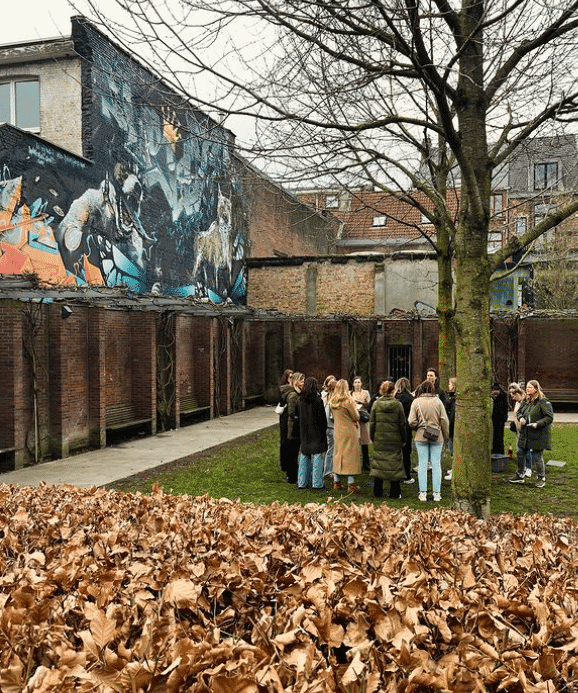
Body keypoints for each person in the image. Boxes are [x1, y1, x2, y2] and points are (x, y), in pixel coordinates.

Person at [408, 380, 450, 502]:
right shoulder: (438, 401)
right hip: (437, 435)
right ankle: (437, 493)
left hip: (421, 436)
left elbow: (411, 421)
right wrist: (446, 436)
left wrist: (418, 427)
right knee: (436, 464)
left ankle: (423, 493)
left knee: (422, 464)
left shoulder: (416, 402)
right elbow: (444, 420)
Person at [509, 380, 553, 488]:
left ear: (536, 389)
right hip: (525, 433)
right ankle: (520, 475)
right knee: (520, 452)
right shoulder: (526, 400)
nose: (527, 389)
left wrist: (537, 424)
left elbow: (549, 417)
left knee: (537, 456)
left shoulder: (543, 401)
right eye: (527, 387)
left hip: (538, 434)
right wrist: (521, 418)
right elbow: (519, 412)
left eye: (530, 387)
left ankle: (541, 477)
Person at [369, 380, 407, 499]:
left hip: (380, 438)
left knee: (379, 463)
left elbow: (372, 423)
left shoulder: (376, 404)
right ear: (393, 391)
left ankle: (377, 491)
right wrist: (404, 439)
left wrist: (372, 437)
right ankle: (394, 492)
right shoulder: (398, 405)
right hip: (394, 439)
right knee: (395, 464)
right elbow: (402, 424)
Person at [330, 379, 361, 493]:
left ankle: (336, 481)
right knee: (350, 456)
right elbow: (355, 417)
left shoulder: (333, 401)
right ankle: (351, 483)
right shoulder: (348, 401)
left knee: (338, 454)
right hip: (349, 430)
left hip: (338, 430)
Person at [297, 377, 328, 489]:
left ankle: (302, 482)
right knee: (317, 456)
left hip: (304, 430)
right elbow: (322, 419)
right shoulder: (318, 401)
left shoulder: (300, 400)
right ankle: (317, 483)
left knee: (304, 455)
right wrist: (323, 429)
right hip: (316, 431)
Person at [283, 372, 304, 484]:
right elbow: (291, 412)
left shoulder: (298, 394)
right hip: (294, 428)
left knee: (294, 453)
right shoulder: (293, 395)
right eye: (301, 381)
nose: (303, 383)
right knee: (293, 453)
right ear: (296, 382)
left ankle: (293, 475)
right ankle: (292, 476)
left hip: (296, 427)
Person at [508, 382, 532, 477]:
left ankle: (528, 468)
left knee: (527, 448)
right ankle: (523, 467)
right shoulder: (517, 402)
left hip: (525, 428)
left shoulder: (525, 402)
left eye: (513, 395)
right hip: (519, 429)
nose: (512, 398)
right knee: (521, 449)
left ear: (517, 393)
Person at [394, 377, 415, 483]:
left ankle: (396, 474)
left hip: (395, 427)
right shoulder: (410, 398)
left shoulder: (394, 398)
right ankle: (407, 475)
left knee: (396, 452)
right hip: (406, 426)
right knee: (406, 453)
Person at [351, 375, 371, 471]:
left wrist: (365, 403)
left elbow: (370, 404)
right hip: (355, 418)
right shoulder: (350, 394)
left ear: (361, 383)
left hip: (363, 418)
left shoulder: (365, 393)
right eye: (355, 382)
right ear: (353, 384)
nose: (357, 384)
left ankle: (366, 463)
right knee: (354, 441)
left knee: (364, 442)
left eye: (359, 382)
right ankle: (354, 463)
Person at [321, 375, 337, 478]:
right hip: (330, 425)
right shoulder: (330, 396)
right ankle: (328, 471)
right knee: (331, 449)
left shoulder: (323, 395)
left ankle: (327, 468)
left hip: (325, 425)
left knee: (328, 449)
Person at [491, 381, 508, 454]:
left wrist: (504, 417)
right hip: (493, 419)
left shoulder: (503, 397)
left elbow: (505, 408)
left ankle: (499, 451)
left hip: (500, 419)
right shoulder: (492, 398)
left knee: (499, 436)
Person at [444, 377, 456, 480]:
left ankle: (455, 471)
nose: (448, 386)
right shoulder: (451, 397)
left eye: (450, 384)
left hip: (452, 428)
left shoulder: (454, 399)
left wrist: (450, 431)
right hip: (451, 426)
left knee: (454, 451)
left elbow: (452, 416)